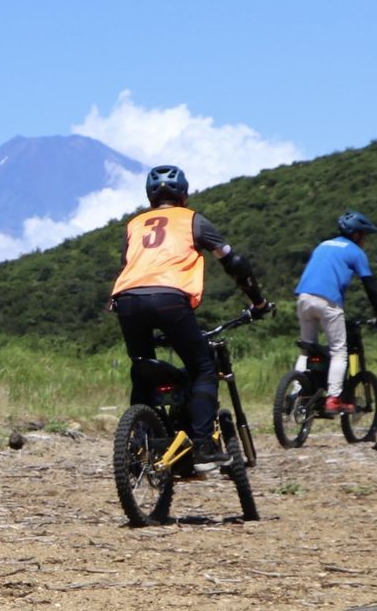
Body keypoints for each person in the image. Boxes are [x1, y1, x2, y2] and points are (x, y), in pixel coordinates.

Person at [110, 165, 271, 472]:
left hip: (127, 300)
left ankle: (137, 447)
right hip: (171, 298)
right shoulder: (193, 220)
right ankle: (202, 446)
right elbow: (233, 262)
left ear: (150, 196)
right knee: (203, 369)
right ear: (184, 195)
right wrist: (258, 301)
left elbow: (126, 268)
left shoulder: (134, 225)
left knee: (142, 368)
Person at [294, 211, 377, 416]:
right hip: (328, 301)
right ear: (357, 235)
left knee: (307, 349)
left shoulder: (323, 245)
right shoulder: (356, 252)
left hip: (303, 298)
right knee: (339, 351)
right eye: (364, 236)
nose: (365, 240)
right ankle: (333, 398)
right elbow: (370, 286)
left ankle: (296, 394)